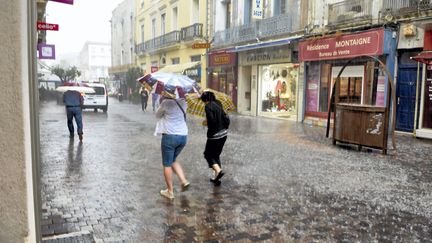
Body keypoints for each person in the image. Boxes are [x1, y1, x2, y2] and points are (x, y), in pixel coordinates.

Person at [155, 96, 190, 199]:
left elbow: (157, 115)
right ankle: (183, 180)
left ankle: (170, 192)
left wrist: (160, 101)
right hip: (183, 136)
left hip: (170, 136)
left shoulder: (165, 103)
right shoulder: (183, 102)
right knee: (173, 159)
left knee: (167, 164)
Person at [200, 91, 229, 186]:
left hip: (215, 135)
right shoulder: (219, 103)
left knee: (208, 154)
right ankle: (216, 177)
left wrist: (206, 122)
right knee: (216, 155)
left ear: (205, 99)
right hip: (224, 133)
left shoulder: (208, 106)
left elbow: (212, 121)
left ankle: (218, 170)